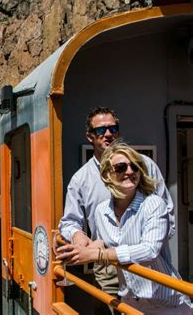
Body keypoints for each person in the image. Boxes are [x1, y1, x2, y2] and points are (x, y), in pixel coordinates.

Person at [58, 107, 175, 311]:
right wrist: (78, 235)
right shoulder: (81, 179)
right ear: (90, 136)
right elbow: (69, 221)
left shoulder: (143, 164)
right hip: (107, 268)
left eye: (113, 128)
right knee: (113, 309)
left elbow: (168, 212)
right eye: (101, 130)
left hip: (149, 262)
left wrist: (153, 243)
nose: (108, 134)